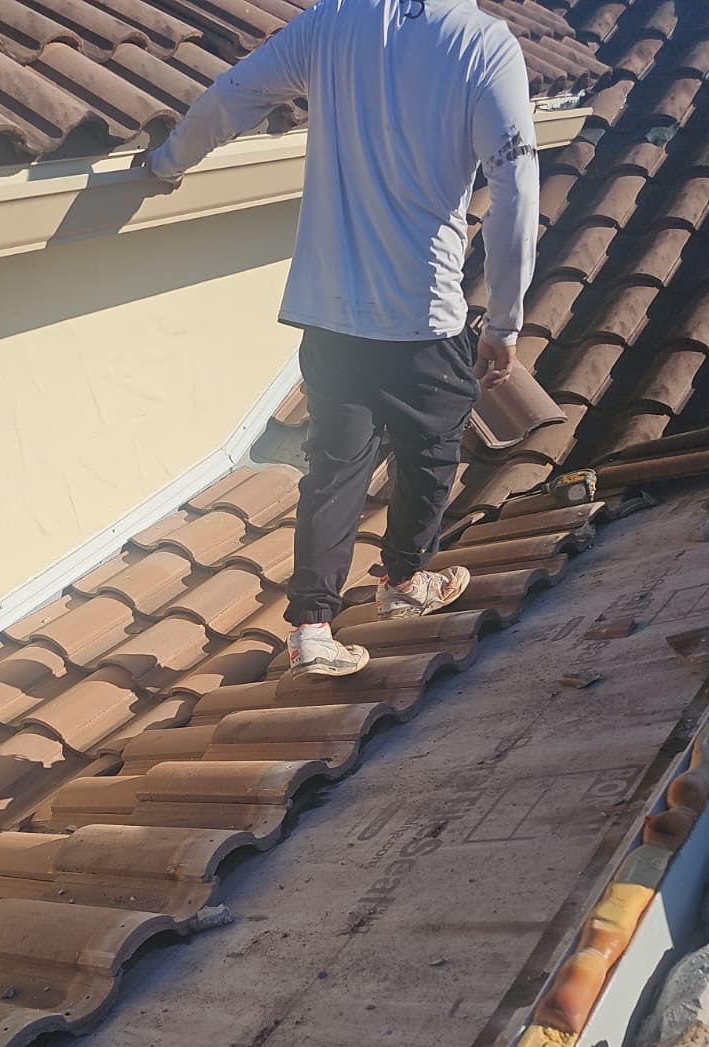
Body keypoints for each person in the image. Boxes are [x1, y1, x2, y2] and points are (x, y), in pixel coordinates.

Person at [137, 0, 539, 677]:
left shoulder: (331, 25)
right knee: (432, 450)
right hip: (421, 313)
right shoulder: (482, 45)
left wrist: (168, 162)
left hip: (330, 311)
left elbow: (234, 96)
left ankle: (312, 631)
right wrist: (504, 321)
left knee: (335, 468)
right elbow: (516, 190)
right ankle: (404, 582)